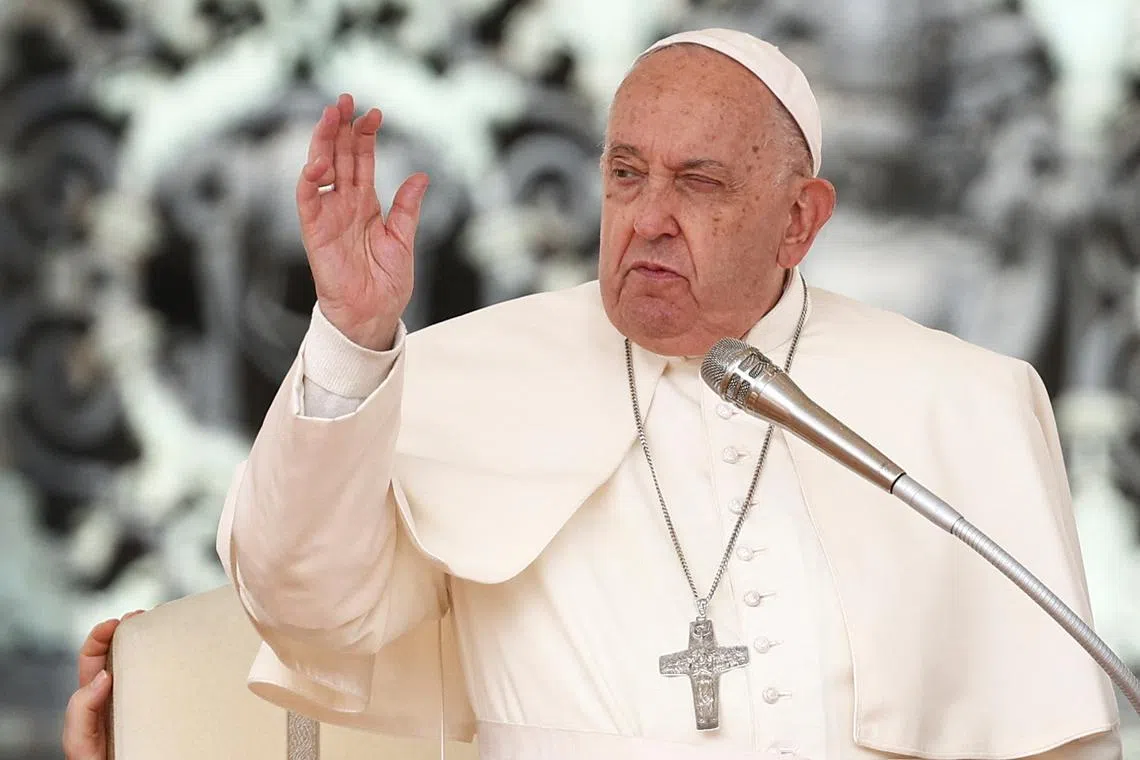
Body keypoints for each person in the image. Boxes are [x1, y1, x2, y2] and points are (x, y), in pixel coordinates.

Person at [64, 28, 1123, 759]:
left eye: (698, 182)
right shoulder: (467, 378)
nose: (649, 216)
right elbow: (302, 603)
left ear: (800, 220)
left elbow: (1052, 733)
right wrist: (350, 333)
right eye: (626, 174)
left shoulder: (958, 404)